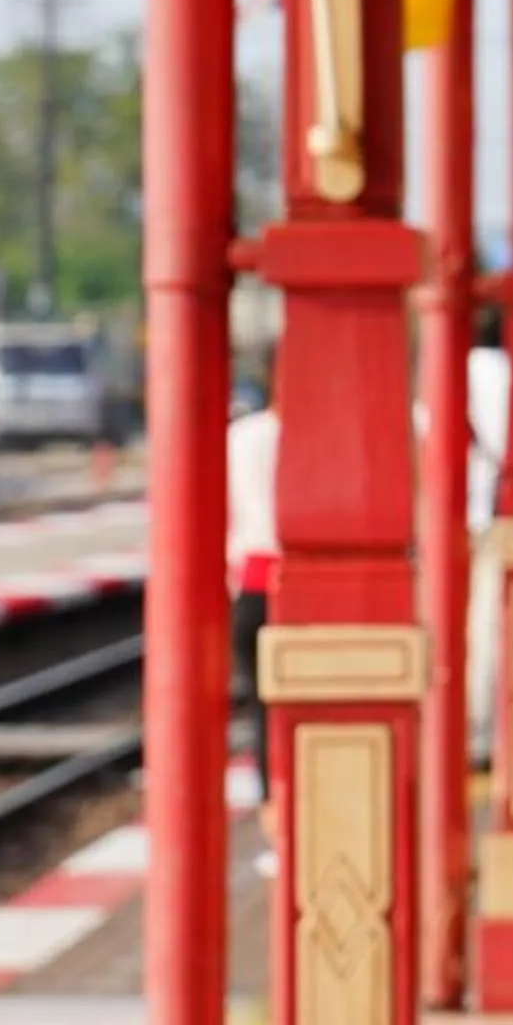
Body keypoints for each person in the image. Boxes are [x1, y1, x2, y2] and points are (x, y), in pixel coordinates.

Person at [225, 368, 279, 874]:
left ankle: (273, 827)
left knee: (262, 713)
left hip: (252, 585)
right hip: (301, 593)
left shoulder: (240, 437)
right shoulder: (309, 440)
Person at [465, 302, 512, 771]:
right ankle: (479, 737)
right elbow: (507, 446)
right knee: (484, 631)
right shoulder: (500, 372)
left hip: (444, 516)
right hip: (488, 515)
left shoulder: (438, 364)